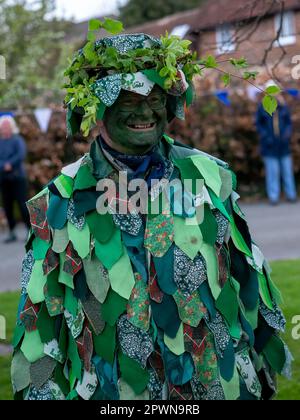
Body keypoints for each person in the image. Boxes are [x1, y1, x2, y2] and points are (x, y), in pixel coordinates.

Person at [11, 32, 291, 401]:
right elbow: (40, 328)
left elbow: (247, 284)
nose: (144, 112)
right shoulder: (57, 203)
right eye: (127, 99)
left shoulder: (209, 178)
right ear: (96, 108)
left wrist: (260, 372)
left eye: (156, 98)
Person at [256, 86, 298, 205]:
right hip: (269, 146)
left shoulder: (283, 107)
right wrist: (266, 136)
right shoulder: (262, 107)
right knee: (272, 172)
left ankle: (291, 194)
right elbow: (259, 124)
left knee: (287, 171)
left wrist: (286, 134)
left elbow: (289, 123)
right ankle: (273, 196)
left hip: (283, 145)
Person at [0, 115, 30, 243]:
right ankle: (11, 232)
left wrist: (10, 164)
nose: (5, 128)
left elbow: (21, 154)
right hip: (3, 178)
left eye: (7, 126)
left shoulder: (17, 140)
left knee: (22, 205)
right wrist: (3, 165)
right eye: (3, 126)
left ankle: (29, 231)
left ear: (11, 127)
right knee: (7, 206)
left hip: (18, 177)